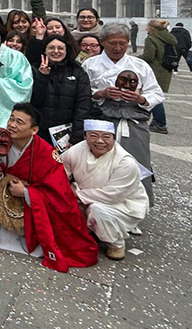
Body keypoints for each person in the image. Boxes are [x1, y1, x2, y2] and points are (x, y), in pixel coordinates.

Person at [0, 104, 98, 272]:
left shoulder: (45, 153)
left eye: (19, 122)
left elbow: (58, 192)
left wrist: (26, 192)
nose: (12, 125)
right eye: (11, 119)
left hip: (29, 203)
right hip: (1, 194)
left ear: (34, 130)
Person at [81, 23, 164, 204]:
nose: (118, 48)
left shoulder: (139, 65)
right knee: (98, 164)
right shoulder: (90, 64)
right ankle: (96, 203)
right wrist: (101, 93)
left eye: (122, 43)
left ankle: (135, 206)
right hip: (101, 118)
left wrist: (140, 98)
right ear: (102, 42)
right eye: (112, 43)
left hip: (133, 121)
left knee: (135, 163)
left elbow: (156, 93)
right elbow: (81, 92)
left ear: (128, 42)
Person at [61, 119, 149, 261]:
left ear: (114, 138)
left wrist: (76, 194)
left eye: (106, 137)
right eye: (93, 136)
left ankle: (116, 243)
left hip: (120, 205)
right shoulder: (76, 150)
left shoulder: (126, 162)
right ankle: (89, 230)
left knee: (98, 210)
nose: (100, 141)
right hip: (84, 197)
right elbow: (59, 171)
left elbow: (114, 195)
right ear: (85, 136)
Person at [31, 35, 94, 147]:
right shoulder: (34, 70)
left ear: (66, 51)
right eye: (51, 48)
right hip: (39, 133)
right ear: (45, 50)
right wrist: (42, 77)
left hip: (67, 134)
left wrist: (75, 137)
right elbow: (35, 101)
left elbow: (83, 107)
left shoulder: (78, 73)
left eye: (60, 48)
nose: (56, 51)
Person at [140, 19, 177, 135]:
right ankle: (154, 121)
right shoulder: (169, 38)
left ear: (152, 29)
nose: (146, 28)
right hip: (165, 69)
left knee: (153, 97)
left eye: (147, 26)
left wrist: (135, 59)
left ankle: (161, 123)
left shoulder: (151, 38)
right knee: (155, 95)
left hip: (154, 70)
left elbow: (149, 56)